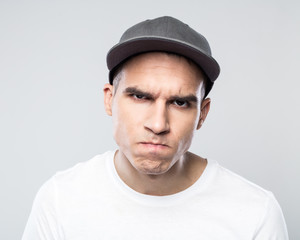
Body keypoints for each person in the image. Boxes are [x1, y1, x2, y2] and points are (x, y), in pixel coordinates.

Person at [22, 16, 289, 239]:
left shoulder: (255, 212)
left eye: (180, 102)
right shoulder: (60, 199)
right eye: (140, 97)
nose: (158, 124)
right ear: (109, 99)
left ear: (202, 114)